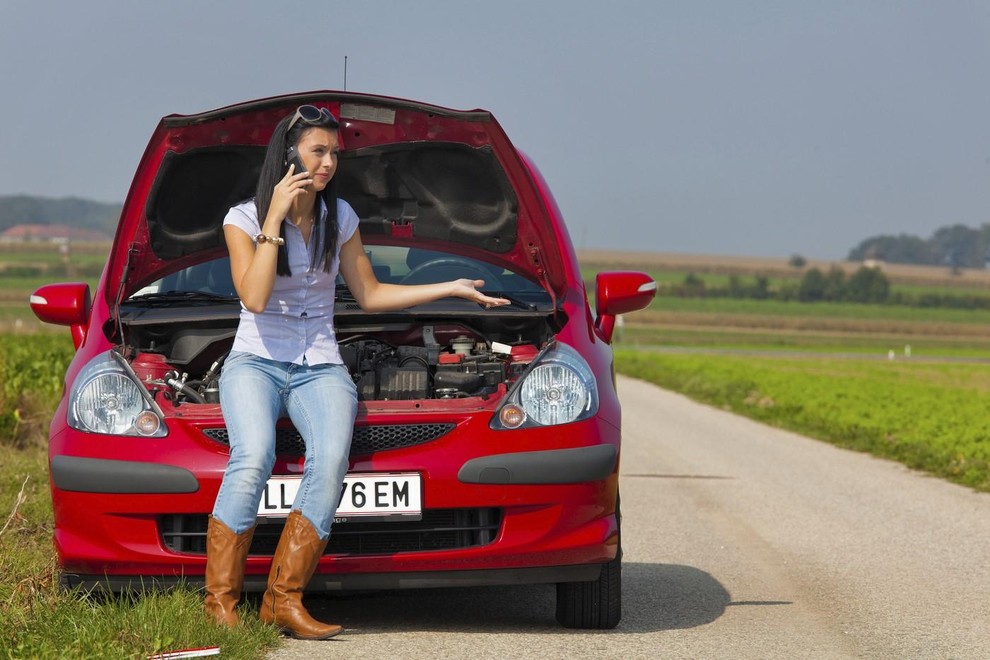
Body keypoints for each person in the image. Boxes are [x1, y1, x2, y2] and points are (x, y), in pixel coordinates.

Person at [203, 105, 509, 640]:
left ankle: (283, 601)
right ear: (289, 152)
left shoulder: (338, 217)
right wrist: (273, 220)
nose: (327, 163)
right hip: (254, 361)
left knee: (332, 459)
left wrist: (450, 289)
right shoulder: (243, 219)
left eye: (334, 154)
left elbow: (368, 294)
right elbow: (253, 297)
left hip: (319, 362)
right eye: (318, 151)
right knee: (252, 457)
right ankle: (221, 605)